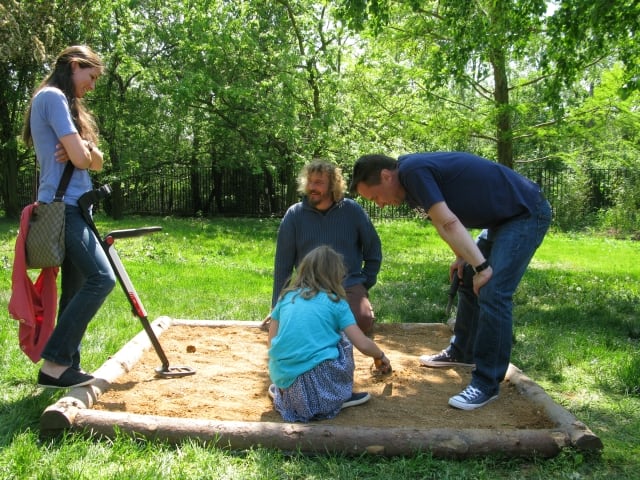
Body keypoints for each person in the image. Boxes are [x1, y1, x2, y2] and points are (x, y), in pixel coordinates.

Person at [349, 152, 551, 411]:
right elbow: (441, 224)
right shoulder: (408, 188)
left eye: (375, 196)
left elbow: (450, 221)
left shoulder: (413, 172)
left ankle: (487, 383)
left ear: (386, 176)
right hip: (501, 220)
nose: (379, 204)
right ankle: (463, 351)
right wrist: (462, 258)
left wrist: (482, 267)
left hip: (525, 213)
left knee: (493, 289)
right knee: (465, 275)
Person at [22, 45, 116, 389]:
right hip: (63, 208)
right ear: (74, 65)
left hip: (78, 207)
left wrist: (86, 150)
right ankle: (55, 362)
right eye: (90, 77)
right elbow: (80, 159)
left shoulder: (69, 106)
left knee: (76, 288)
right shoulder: (51, 97)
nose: (91, 86)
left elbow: (95, 160)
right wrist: (84, 153)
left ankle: (65, 367)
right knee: (101, 279)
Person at [267, 245, 392, 422]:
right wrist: (380, 355)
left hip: (287, 385)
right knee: (343, 336)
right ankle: (340, 395)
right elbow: (362, 344)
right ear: (336, 275)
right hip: (320, 392)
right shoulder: (336, 302)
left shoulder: (285, 298)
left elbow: (271, 343)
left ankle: (282, 394)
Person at [266, 159, 382, 335]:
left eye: (319, 182)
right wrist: (277, 307)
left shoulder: (353, 211)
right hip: (308, 286)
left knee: (362, 320)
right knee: (296, 325)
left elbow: (373, 251)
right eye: (310, 181)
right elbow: (283, 266)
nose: (312, 187)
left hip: (347, 285)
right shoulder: (294, 215)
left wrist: (364, 284)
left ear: (333, 186)